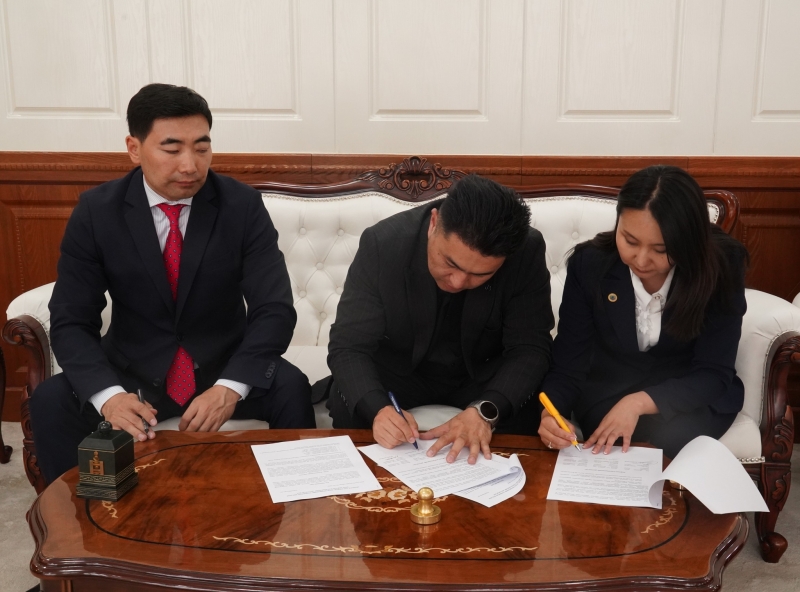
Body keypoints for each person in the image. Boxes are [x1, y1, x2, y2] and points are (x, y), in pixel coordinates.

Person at [30, 83, 315, 484]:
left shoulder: (242, 206)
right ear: (134, 148)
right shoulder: (98, 211)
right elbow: (71, 318)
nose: (190, 165)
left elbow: (274, 309)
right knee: (51, 400)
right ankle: (75, 519)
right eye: (172, 149)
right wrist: (110, 397)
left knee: (291, 386)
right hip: (133, 368)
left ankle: (297, 508)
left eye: (202, 148)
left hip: (221, 363)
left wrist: (230, 388)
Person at [327, 174, 554, 464]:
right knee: (350, 398)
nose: (458, 282)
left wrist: (486, 410)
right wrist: (379, 410)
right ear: (434, 223)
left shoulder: (526, 250)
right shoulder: (383, 243)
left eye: (480, 274)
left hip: (481, 374)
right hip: (401, 370)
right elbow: (349, 345)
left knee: (522, 402)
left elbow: (530, 348)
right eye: (450, 263)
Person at [538, 165, 748, 459]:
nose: (641, 260)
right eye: (630, 241)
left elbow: (713, 372)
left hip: (692, 393)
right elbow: (569, 363)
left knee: (673, 438)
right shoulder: (590, 265)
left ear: (688, 241)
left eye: (661, 250)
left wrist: (638, 402)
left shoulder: (722, 264)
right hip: (611, 389)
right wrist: (551, 414)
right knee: (608, 440)